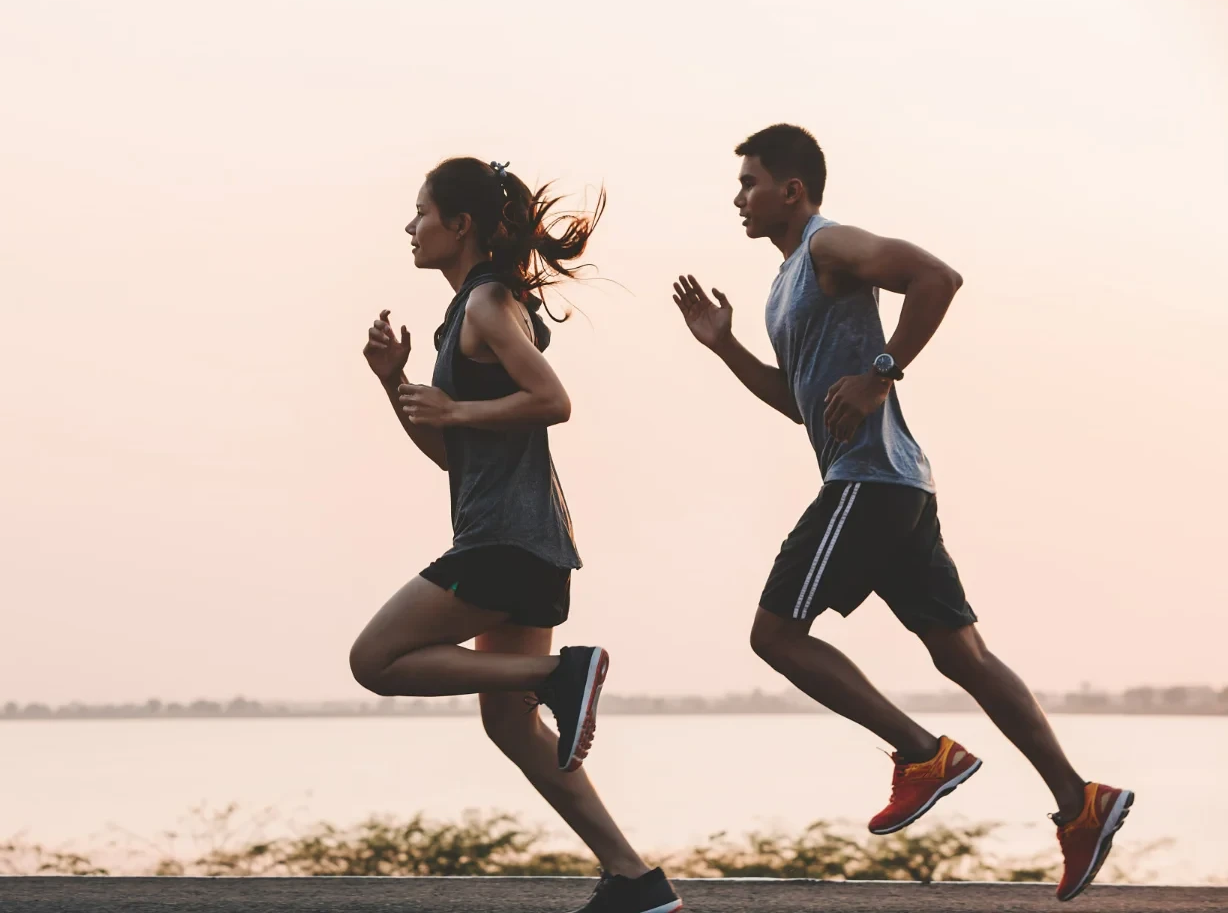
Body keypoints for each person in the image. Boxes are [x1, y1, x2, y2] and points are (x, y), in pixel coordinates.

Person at [670, 124, 1132, 902]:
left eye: (750, 181)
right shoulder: (786, 282)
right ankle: (1080, 803)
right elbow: (803, 404)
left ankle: (924, 753)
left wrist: (883, 373)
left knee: (775, 634)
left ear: (791, 188)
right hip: (897, 484)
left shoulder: (829, 245)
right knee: (964, 658)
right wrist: (725, 348)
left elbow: (937, 278)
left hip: (869, 481)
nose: (737, 197)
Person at [351, 157, 681, 913]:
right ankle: (637, 881)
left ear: (459, 224)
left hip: (504, 543)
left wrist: (457, 411)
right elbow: (452, 457)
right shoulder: (465, 313)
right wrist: (394, 385)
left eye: (421, 212)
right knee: (509, 725)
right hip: (525, 541)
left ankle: (561, 675)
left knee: (375, 660)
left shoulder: (488, 304)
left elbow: (553, 401)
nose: (410, 226)